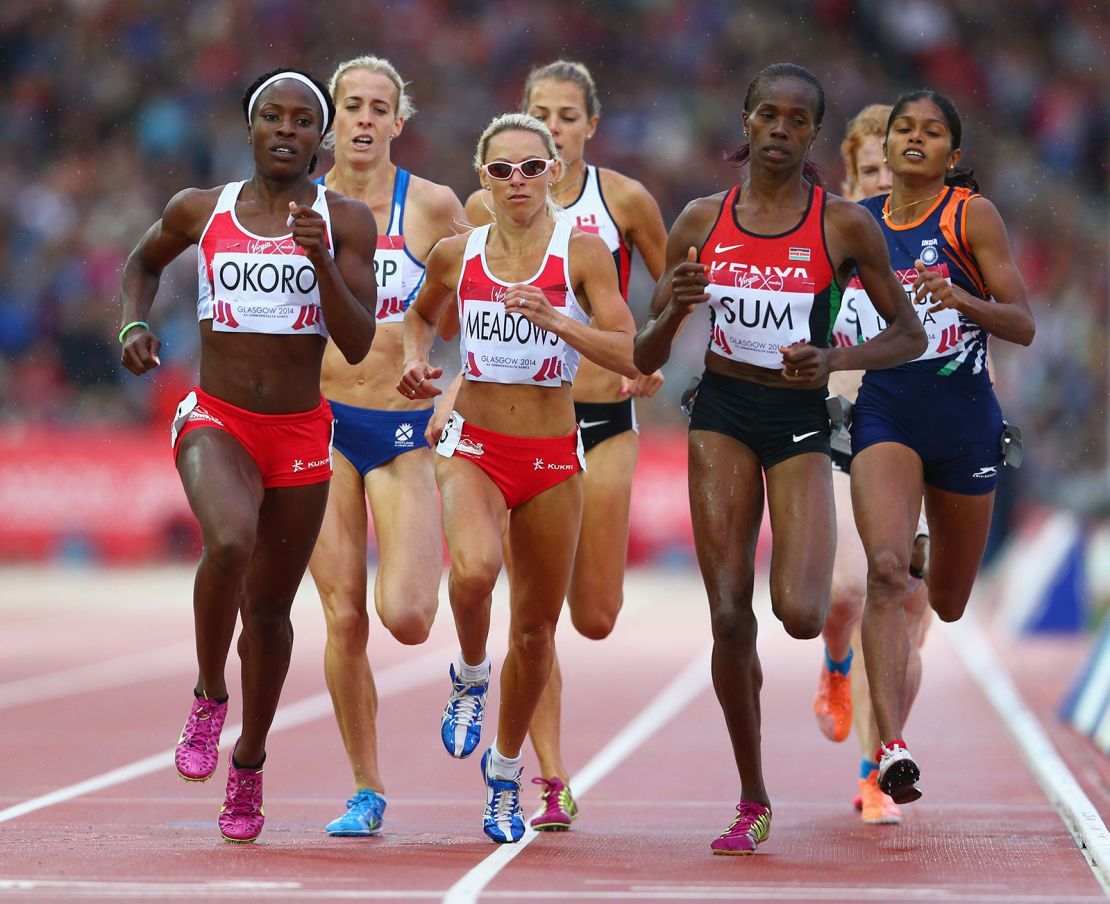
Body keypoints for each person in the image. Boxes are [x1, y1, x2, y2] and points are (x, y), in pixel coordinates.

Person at [632, 63, 927, 855]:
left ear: (813, 135)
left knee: (798, 613)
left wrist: (833, 361)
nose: (781, 131)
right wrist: (678, 307)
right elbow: (645, 346)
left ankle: (828, 659)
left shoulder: (843, 227)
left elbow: (910, 335)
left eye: (798, 120)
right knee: (730, 614)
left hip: (799, 417)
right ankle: (752, 796)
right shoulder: (700, 217)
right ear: (747, 122)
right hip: (722, 412)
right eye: (769, 116)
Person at [118, 68, 377, 843]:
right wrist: (132, 326)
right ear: (251, 125)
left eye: (304, 120)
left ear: (319, 138)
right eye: (273, 116)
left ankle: (251, 763)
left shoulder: (347, 219)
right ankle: (207, 696)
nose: (287, 130)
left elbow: (359, 344)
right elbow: (142, 263)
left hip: (299, 433)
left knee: (268, 614)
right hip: (217, 418)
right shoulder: (202, 209)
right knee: (228, 540)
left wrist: (323, 260)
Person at [400, 113, 638, 843]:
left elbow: (625, 345)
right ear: (483, 178)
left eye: (532, 168)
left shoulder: (584, 252)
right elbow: (420, 318)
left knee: (535, 634)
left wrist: (558, 321)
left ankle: (504, 778)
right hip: (474, 443)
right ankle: (471, 674)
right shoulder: (456, 252)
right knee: (473, 573)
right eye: (501, 170)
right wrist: (415, 360)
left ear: (555, 173)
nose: (518, 182)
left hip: (553, 458)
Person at [463, 60, 667, 831]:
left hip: (602, 420)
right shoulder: (490, 201)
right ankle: (545, 772)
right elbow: (462, 294)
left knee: (597, 614)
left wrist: (646, 358)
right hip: (517, 427)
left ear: (588, 127)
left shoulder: (623, 200)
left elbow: (671, 290)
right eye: (539, 113)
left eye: (568, 116)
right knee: (532, 617)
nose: (554, 127)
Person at [850, 90, 1035, 804]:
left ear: (952, 156)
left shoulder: (970, 217)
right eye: (904, 129)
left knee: (950, 602)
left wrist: (962, 301)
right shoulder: (855, 225)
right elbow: (816, 307)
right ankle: (890, 748)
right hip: (886, 414)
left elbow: (1021, 324)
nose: (915, 139)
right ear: (888, 147)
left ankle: (926, 549)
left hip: (965, 425)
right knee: (884, 573)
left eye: (932, 132)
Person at [305, 55, 465, 839]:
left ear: (400, 122)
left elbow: (495, 303)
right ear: (332, 119)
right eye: (352, 106)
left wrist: (455, 400)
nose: (364, 120)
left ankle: (468, 669)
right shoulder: (299, 206)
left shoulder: (432, 207)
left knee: (404, 616)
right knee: (343, 618)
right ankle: (366, 788)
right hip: (320, 424)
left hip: (403, 432)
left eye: (380, 108)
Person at [811, 103, 933, 826]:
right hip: (846, 435)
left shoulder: (946, 236)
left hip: (926, 442)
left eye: (896, 168)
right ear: (852, 179)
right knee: (850, 590)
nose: (886, 182)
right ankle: (834, 665)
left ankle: (875, 768)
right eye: (870, 172)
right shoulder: (829, 245)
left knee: (910, 615)